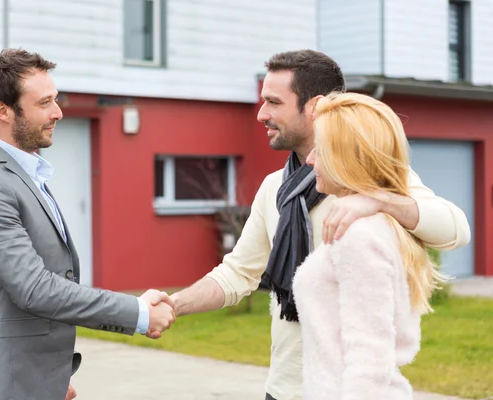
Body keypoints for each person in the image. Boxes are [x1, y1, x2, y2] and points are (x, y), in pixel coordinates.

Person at [169, 50, 471, 400]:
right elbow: (238, 273)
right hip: (283, 389)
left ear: (313, 107)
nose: (261, 114)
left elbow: (455, 229)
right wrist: (175, 305)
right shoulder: (275, 189)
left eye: (273, 102)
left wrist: (378, 199)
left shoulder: (373, 187)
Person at [0, 49, 175, 400]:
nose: (58, 112)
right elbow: (35, 289)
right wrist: (138, 313)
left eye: (56, 100)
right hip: (2, 385)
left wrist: (49, 374)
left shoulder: (27, 174)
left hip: (33, 380)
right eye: (44, 103)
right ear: (3, 110)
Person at [294, 91, 445, 399]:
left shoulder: (359, 234)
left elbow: (369, 352)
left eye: (319, 151)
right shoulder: (370, 223)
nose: (309, 160)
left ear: (344, 158)